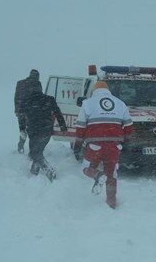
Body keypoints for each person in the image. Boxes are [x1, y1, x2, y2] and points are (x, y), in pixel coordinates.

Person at [75, 81, 133, 209]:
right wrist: (127, 142)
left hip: (95, 144)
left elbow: (80, 126)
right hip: (114, 145)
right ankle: (111, 202)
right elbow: (129, 126)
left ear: (95, 91)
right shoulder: (120, 103)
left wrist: (78, 144)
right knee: (112, 174)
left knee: (86, 168)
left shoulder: (88, 103)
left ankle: (97, 175)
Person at [18, 81, 68, 180]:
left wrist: (22, 128)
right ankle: (34, 171)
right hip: (46, 130)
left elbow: (21, 116)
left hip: (33, 131)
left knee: (34, 153)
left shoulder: (26, 100)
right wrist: (63, 126)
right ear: (41, 88)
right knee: (38, 151)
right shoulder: (49, 99)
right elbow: (58, 113)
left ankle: (48, 170)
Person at [14, 69, 41, 153]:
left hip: (21, 111)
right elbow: (40, 98)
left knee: (23, 129)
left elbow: (16, 98)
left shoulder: (20, 83)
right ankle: (31, 149)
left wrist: (17, 110)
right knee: (32, 130)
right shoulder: (37, 84)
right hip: (32, 111)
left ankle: (21, 146)